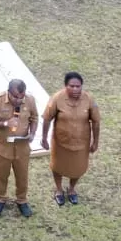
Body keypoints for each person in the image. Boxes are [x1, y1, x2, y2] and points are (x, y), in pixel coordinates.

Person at [41, 72, 100, 205]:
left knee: (78, 168)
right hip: (61, 142)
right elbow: (46, 118)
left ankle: (72, 189)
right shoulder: (57, 98)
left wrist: (95, 142)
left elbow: (96, 122)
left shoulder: (89, 99)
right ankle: (59, 189)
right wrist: (44, 138)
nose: (75, 89)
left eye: (78, 86)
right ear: (65, 86)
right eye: (72, 86)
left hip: (81, 142)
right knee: (57, 166)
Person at [0, 80, 39, 216]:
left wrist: (32, 133)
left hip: (22, 148)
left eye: (21, 97)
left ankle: (22, 200)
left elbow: (34, 118)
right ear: (8, 92)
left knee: (22, 176)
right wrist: (5, 123)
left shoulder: (30, 100)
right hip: (4, 147)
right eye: (15, 96)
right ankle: (0, 198)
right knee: (1, 175)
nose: (18, 100)